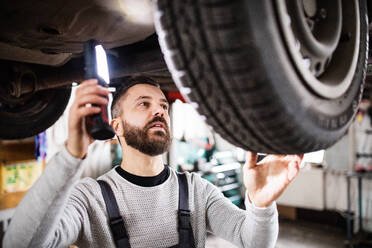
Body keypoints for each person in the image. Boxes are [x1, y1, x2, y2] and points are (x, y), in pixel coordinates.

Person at [3, 76, 303, 248]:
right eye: (143, 104)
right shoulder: (89, 198)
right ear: (115, 126)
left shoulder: (197, 190)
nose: (159, 111)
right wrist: (71, 154)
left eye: (162, 105)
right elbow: (21, 244)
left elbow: (253, 241)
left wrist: (260, 205)